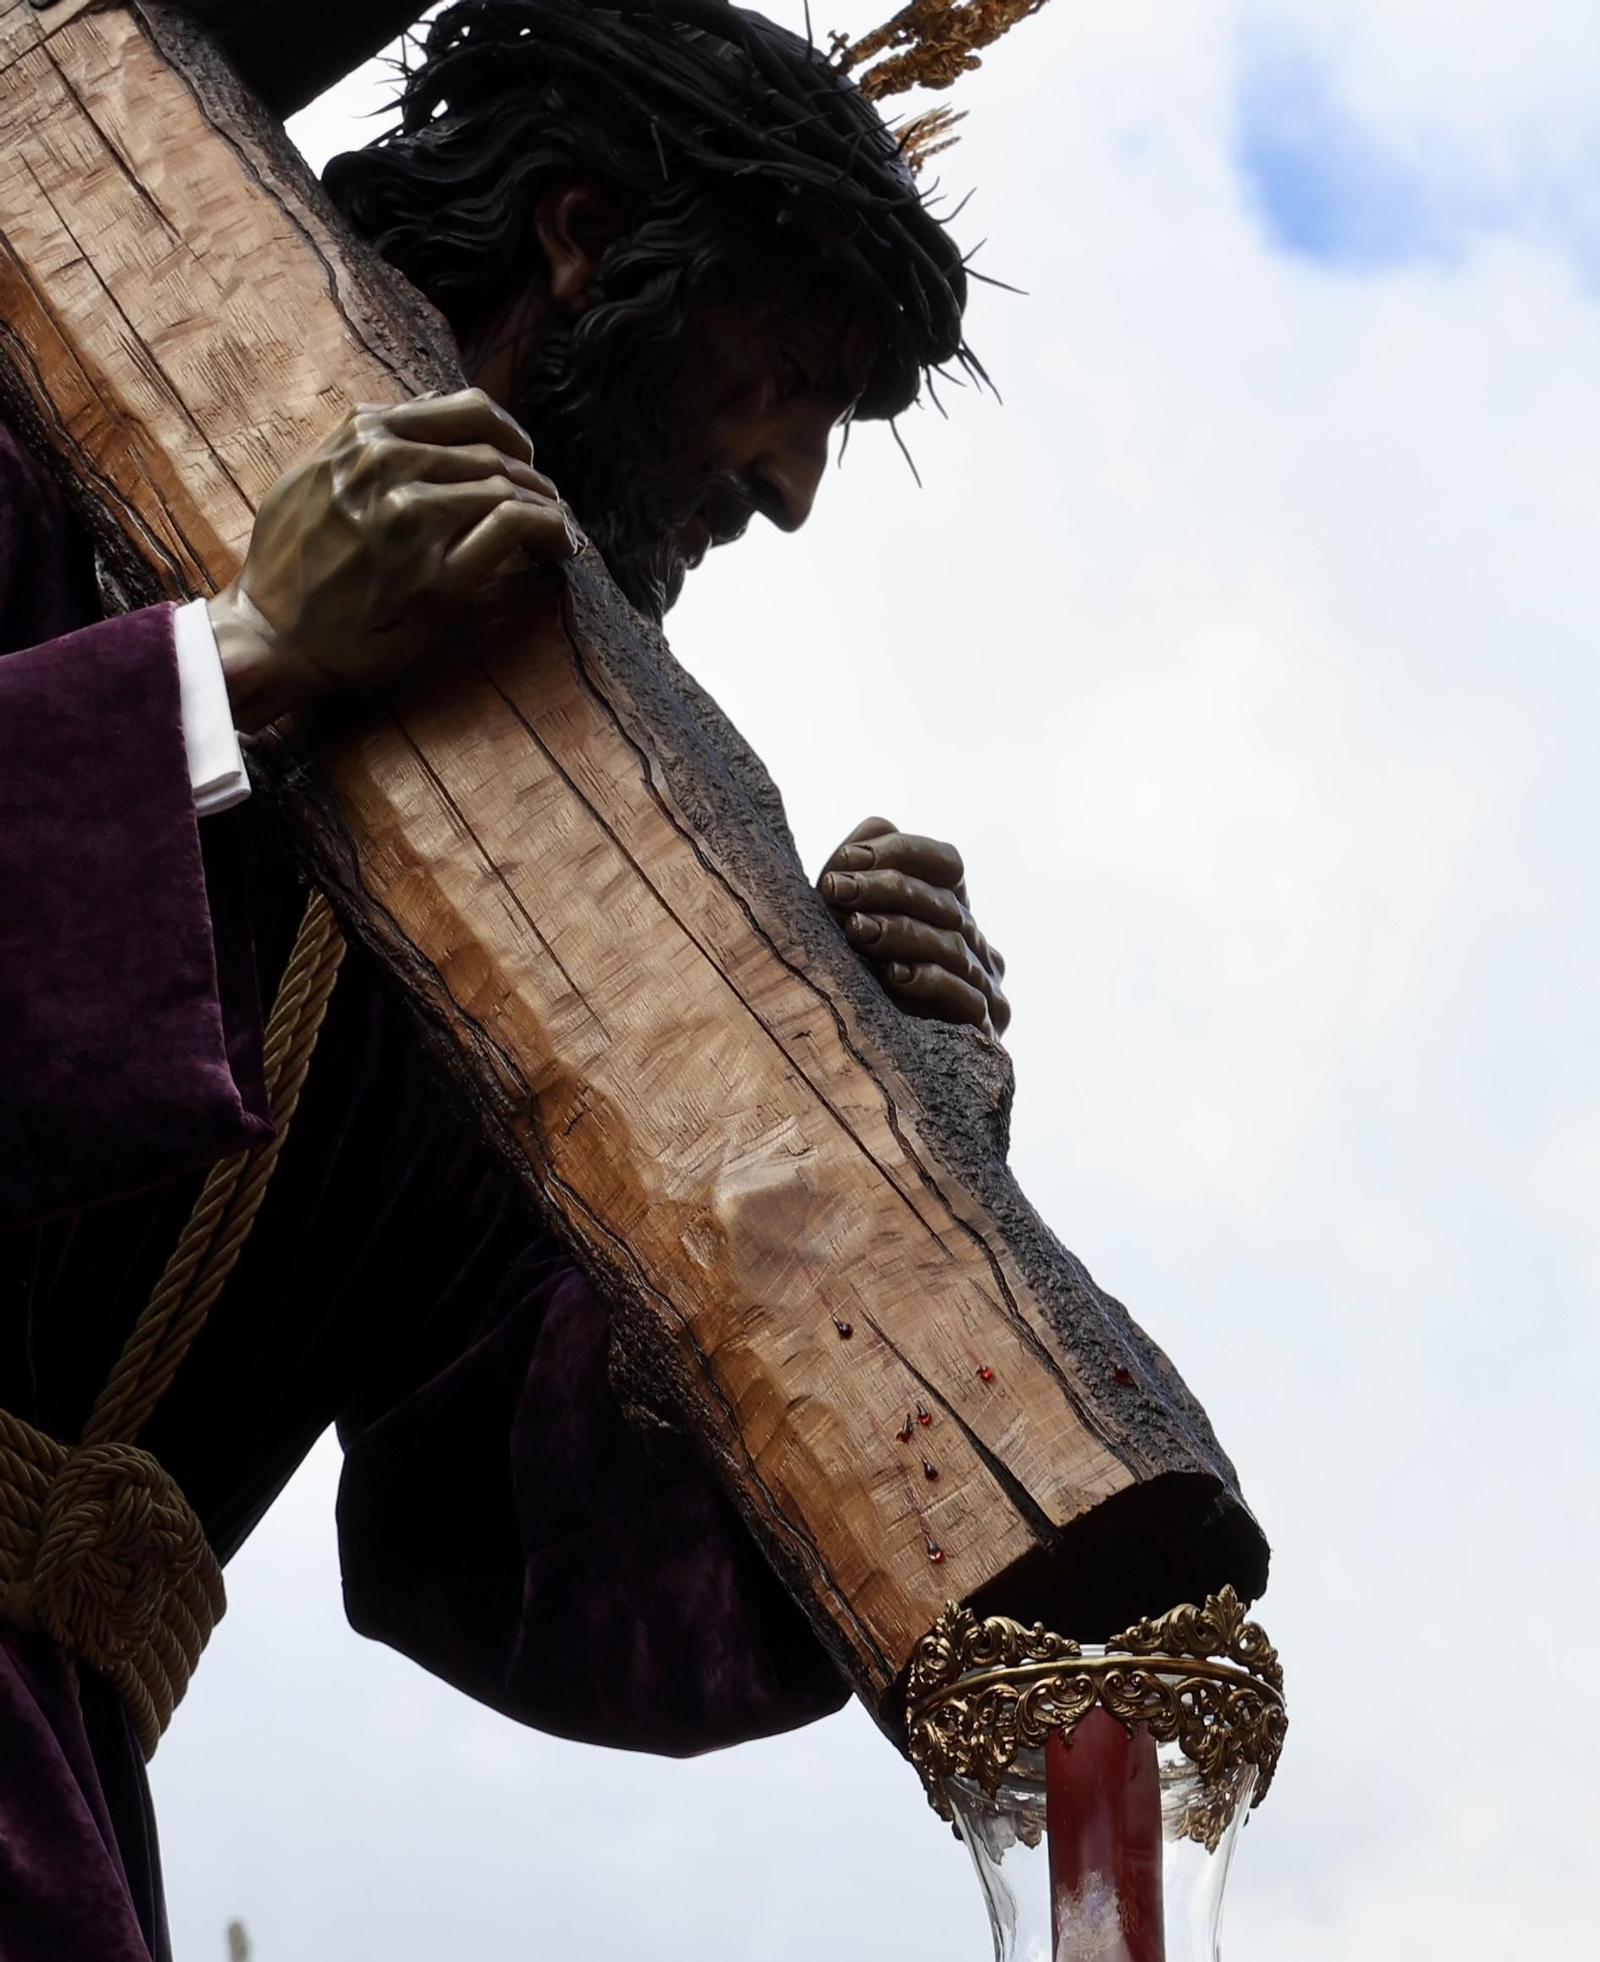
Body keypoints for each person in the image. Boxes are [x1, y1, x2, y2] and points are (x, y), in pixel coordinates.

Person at [0, 4, 1010, 1956]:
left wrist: (876, 1157)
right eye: (789, 377)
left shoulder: (546, 902)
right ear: (575, 237)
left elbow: (537, 1548)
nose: (792, 487)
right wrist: (236, 666)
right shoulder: (32, 432)